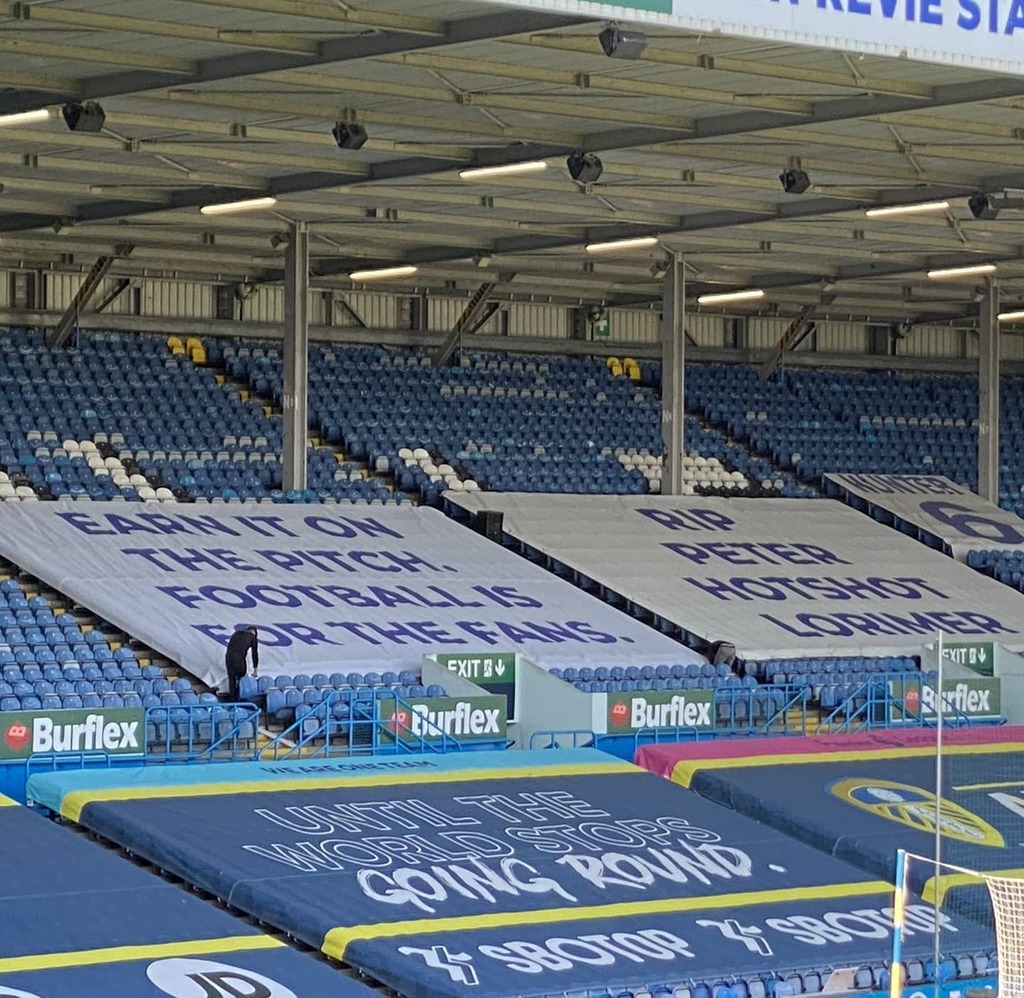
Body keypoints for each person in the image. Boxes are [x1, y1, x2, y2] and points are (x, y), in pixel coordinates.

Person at [225, 625, 259, 701]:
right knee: (241, 677)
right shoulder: (252, 637)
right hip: (239, 658)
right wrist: (255, 669)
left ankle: (232, 699)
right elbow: (254, 654)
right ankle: (240, 697)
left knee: (232, 679)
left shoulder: (236, 633)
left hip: (229, 657)